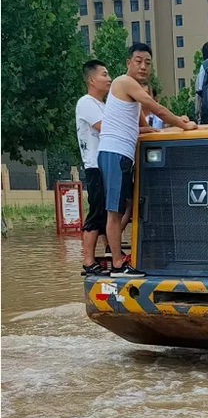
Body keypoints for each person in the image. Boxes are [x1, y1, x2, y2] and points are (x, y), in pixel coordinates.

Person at [98, 43, 197, 277]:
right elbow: (157, 109)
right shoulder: (124, 82)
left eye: (148, 63)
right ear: (128, 63)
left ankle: (121, 259)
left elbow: (144, 125)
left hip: (120, 155)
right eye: (138, 61)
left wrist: (174, 122)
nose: (143, 66)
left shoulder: (130, 93)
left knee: (125, 208)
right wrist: (183, 125)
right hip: (114, 153)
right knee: (114, 212)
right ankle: (118, 265)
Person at [76, 60, 112, 276]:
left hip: (108, 165)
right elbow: (105, 128)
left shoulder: (105, 105)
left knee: (112, 210)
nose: (109, 79)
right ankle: (88, 260)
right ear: (91, 79)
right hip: (95, 166)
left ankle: (110, 251)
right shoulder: (86, 103)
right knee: (97, 211)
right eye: (104, 75)